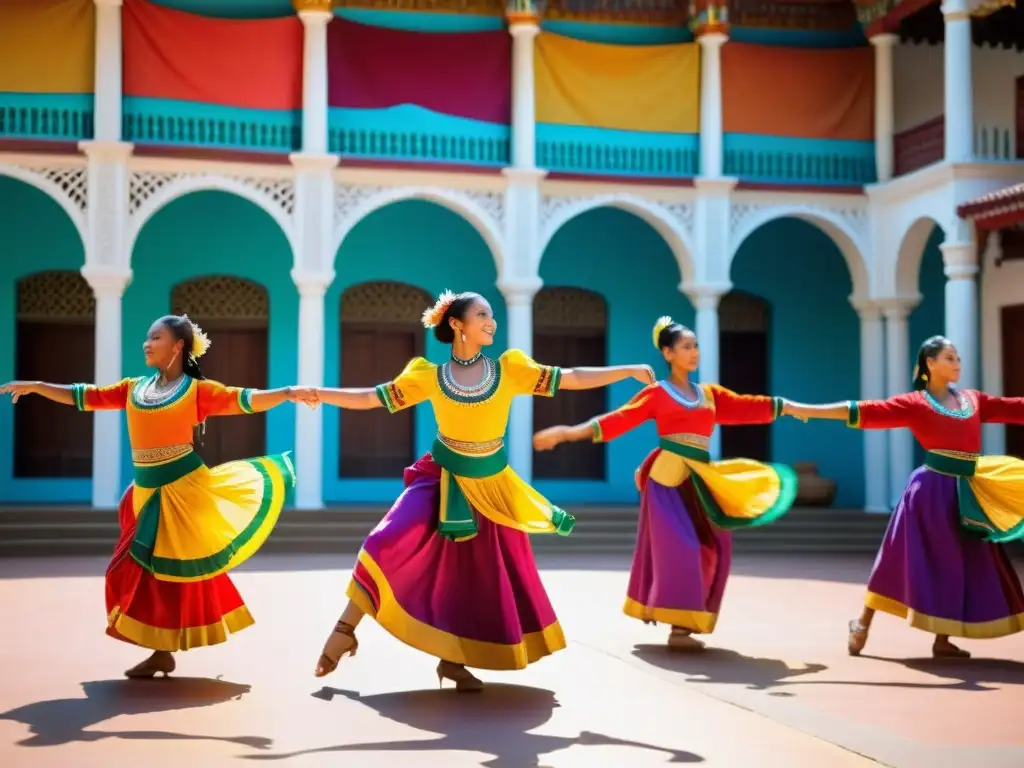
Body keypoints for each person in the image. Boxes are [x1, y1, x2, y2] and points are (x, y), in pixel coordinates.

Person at [309, 289, 656, 691]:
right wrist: (321, 394)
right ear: (457, 324)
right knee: (385, 541)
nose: (492, 322)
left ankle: (453, 661)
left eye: (492, 315)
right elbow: (373, 398)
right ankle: (344, 629)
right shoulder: (428, 376)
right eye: (482, 314)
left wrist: (626, 370)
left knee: (477, 578)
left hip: (491, 488)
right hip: (440, 477)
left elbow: (572, 376)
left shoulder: (509, 369)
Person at [0, 314, 316, 678]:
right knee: (144, 574)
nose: (147, 343)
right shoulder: (133, 388)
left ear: (177, 346)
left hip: (183, 491)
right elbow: (84, 396)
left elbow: (244, 400)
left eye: (156, 337)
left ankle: (161, 651)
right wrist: (38, 385)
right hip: (145, 493)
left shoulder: (197, 391)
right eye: (147, 337)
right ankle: (161, 652)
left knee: (162, 573)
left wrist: (289, 393)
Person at [533, 317, 797, 651]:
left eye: (696, 346)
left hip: (701, 481)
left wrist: (791, 407)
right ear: (668, 353)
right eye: (686, 347)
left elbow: (750, 406)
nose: (694, 352)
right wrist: (567, 432)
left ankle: (688, 616)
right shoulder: (658, 393)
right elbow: (619, 419)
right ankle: (678, 625)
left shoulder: (710, 395)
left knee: (715, 547)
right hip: (666, 483)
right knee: (681, 548)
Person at [783, 335, 1024, 658]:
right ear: (930, 363)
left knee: (960, 560)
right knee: (899, 559)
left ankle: (942, 639)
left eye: (958, 358)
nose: (957, 364)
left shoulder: (973, 400)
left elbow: (1015, 408)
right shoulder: (915, 404)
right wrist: (806, 409)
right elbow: (864, 411)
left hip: (968, 490)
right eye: (950, 357)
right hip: (929, 492)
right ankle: (862, 622)